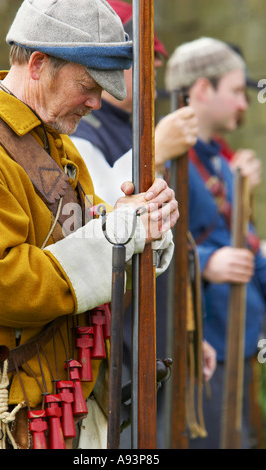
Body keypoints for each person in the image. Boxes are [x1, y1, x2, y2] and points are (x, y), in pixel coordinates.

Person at [0, 0, 179, 450]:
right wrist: (120, 236)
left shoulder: (52, 140)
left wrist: (144, 223)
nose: (97, 102)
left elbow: (85, 224)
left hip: (67, 399)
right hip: (15, 417)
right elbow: (3, 287)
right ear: (39, 63)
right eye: (88, 85)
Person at [71, 0, 216, 449]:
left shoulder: (129, 123)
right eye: (138, 64)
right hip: (112, 326)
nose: (149, 77)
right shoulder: (84, 129)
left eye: (153, 64)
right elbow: (98, 223)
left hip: (150, 316)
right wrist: (154, 145)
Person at [165, 36, 266, 449]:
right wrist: (205, 261)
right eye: (237, 91)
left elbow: (239, 239)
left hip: (241, 337)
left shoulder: (217, 159)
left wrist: (244, 193)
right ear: (203, 89)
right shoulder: (169, 159)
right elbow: (150, 245)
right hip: (205, 348)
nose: (245, 103)